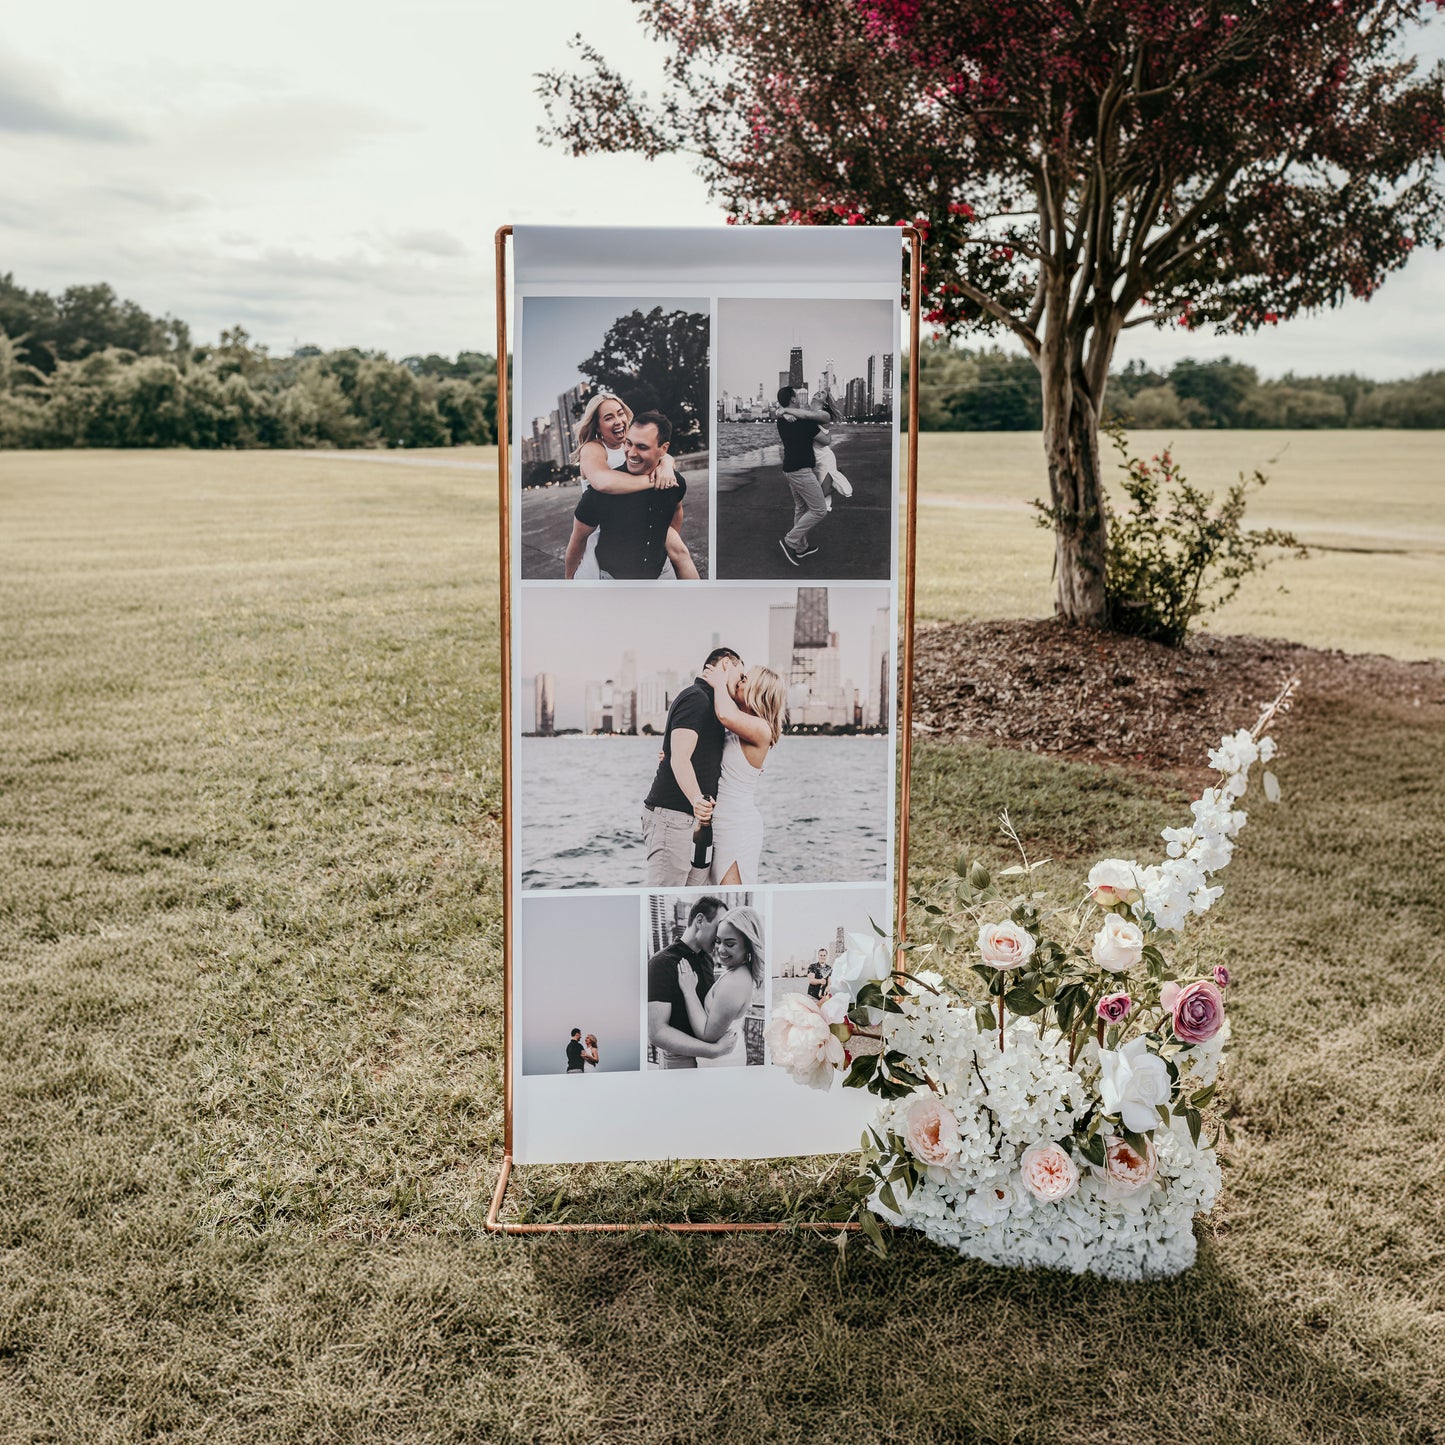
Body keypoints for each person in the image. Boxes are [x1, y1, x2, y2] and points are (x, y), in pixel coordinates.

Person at [567, 392, 695, 580]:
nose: (618, 421)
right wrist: (653, 481)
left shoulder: (632, 440)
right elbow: (604, 482)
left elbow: (660, 452)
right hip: (603, 524)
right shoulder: (593, 448)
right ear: (598, 426)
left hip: (639, 514)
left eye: (620, 413)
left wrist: (667, 466)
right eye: (609, 418)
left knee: (680, 551)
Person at [641, 646, 740, 886]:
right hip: (673, 816)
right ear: (726, 665)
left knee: (693, 899)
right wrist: (697, 800)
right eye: (740, 676)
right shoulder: (696, 697)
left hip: (696, 822)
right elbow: (679, 757)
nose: (739, 686)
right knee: (664, 903)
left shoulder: (714, 703)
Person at [698, 656, 788, 885]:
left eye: (746, 679)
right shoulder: (738, 726)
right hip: (716, 823)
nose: (739, 681)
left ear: (758, 690)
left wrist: (719, 682)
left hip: (737, 826)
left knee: (731, 896)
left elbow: (726, 714)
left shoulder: (762, 730)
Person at [646, 896, 739, 1068]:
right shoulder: (661, 963)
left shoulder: (708, 960)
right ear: (700, 920)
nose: (721, 935)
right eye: (719, 926)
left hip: (710, 1062)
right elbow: (657, 1032)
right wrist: (714, 1050)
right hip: (679, 1061)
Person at [678, 905, 765, 1069]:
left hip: (721, 1065)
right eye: (718, 941)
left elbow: (708, 1035)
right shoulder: (736, 972)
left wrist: (689, 991)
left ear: (748, 944)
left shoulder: (736, 982)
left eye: (730, 944)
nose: (720, 949)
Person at [774, 386, 837, 566]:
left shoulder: (783, 420)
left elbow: (787, 415)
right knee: (819, 510)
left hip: (789, 469)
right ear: (793, 400)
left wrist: (783, 412)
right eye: (796, 395)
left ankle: (800, 549)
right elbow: (826, 441)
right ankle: (790, 541)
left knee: (801, 509)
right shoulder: (803, 421)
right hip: (801, 471)